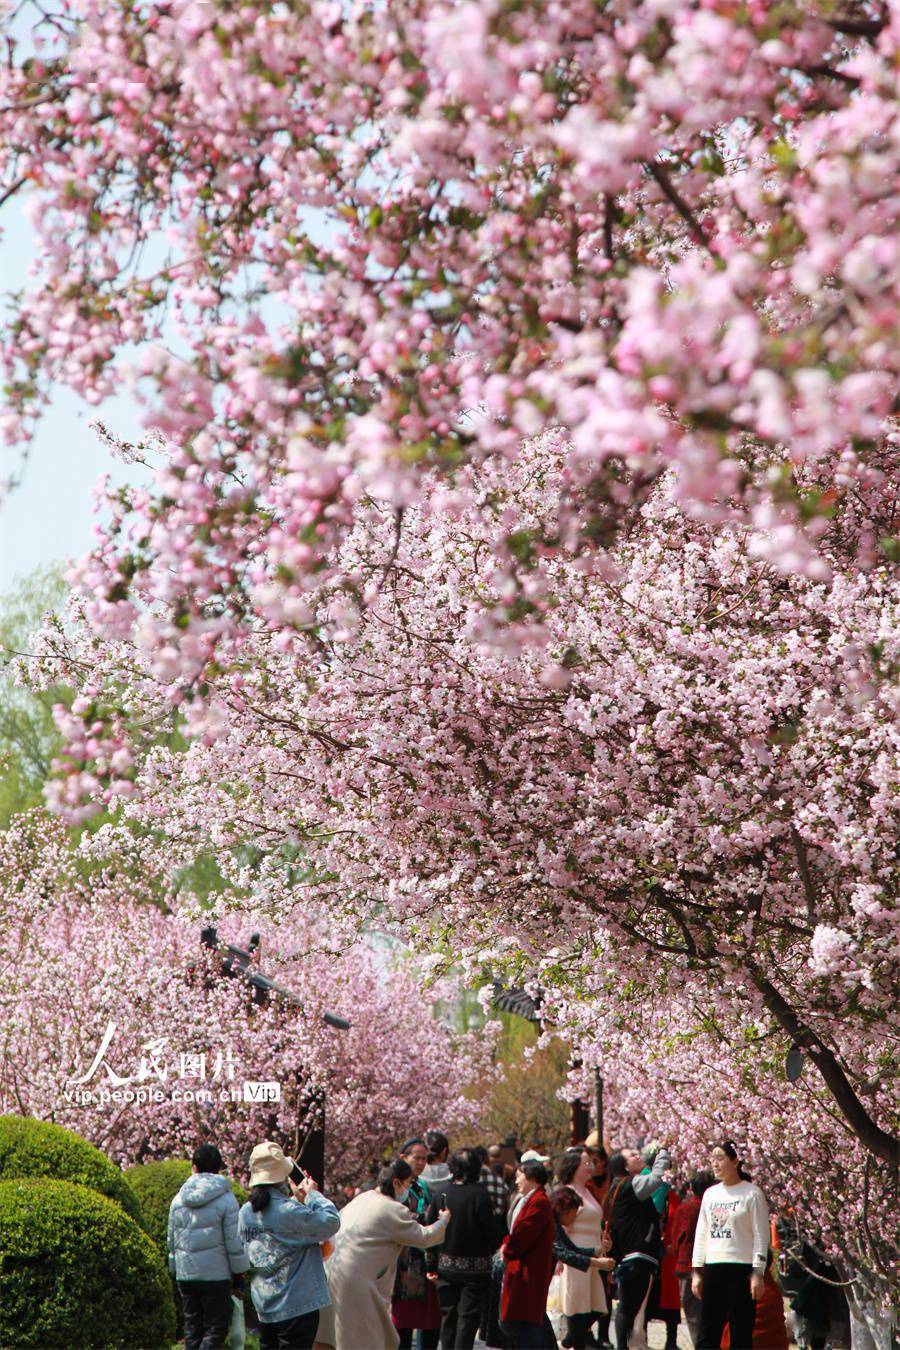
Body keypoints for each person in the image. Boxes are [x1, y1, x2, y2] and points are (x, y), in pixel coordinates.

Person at [326, 1158, 450, 1350]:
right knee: (366, 1341)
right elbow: (423, 1237)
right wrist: (443, 1222)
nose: (408, 1190)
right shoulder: (393, 1209)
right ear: (396, 1183)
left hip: (334, 1272)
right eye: (408, 1184)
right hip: (358, 1282)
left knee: (342, 1338)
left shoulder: (363, 1197)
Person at [237, 1140, 340, 1350]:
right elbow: (331, 1222)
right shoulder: (289, 1211)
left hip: (264, 1303)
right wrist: (312, 1195)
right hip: (296, 1304)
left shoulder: (245, 1212)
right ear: (282, 1175)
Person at [167, 1143, 250, 1350]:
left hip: (186, 1273)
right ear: (219, 1167)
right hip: (216, 1275)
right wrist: (239, 1272)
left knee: (192, 1327)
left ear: (193, 1166)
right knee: (215, 1329)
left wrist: (174, 1267)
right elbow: (233, 1240)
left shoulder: (178, 1199)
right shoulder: (226, 1199)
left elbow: (172, 1239)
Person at [691, 1141, 770, 1350]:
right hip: (714, 1266)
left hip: (741, 1268)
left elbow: (761, 1236)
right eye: (712, 1159)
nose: (715, 1164)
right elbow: (702, 1233)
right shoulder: (710, 1194)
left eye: (720, 1158)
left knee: (740, 1331)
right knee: (708, 1332)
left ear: (735, 1161)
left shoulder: (752, 1193)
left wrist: (757, 1273)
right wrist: (697, 1270)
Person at [425, 1148, 500, 1350]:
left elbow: (430, 1232)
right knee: (468, 1320)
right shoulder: (480, 1196)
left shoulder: (441, 1194)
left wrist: (431, 1266)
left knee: (448, 1316)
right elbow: (492, 1233)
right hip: (475, 1270)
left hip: (445, 1268)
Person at [606, 1144, 671, 1350]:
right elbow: (654, 1179)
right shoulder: (630, 1184)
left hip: (631, 1256)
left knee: (629, 1308)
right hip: (637, 1255)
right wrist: (662, 1154)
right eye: (631, 1156)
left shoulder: (618, 1187)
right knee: (628, 1308)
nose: (637, 1156)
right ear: (624, 1167)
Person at [555, 1150, 609, 1350]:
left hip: (593, 1252)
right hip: (575, 1253)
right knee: (577, 1304)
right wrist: (561, 1258)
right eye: (585, 1162)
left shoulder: (588, 1191)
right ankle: (575, 1340)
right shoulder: (568, 1193)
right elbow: (562, 1227)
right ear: (573, 1166)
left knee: (596, 1305)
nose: (591, 1166)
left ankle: (574, 1338)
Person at [392, 1137, 442, 1350]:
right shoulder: (394, 1185)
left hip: (423, 1259)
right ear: (403, 1158)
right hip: (401, 1262)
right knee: (401, 1324)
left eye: (425, 1159)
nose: (421, 1163)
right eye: (417, 1158)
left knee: (428, 1321)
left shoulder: (424, 1187)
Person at [499, 1159, 556, 1349]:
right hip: (522, 1269)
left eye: (519, 1176)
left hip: (528, 1271)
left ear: (531, 1176)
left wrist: (507, 1247)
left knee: (525, 1325)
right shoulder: (531, 1200)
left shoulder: (539, 1202)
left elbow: (523, 1233)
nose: (516, 1181)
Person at [671, 1172, 713, 1347]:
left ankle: (700, 1344)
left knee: (693, 1312)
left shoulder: (686, 1209)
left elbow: (677, 1237)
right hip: (712, 1262)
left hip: (688, 1264)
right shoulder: (714, 1208)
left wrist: (674, 1249)